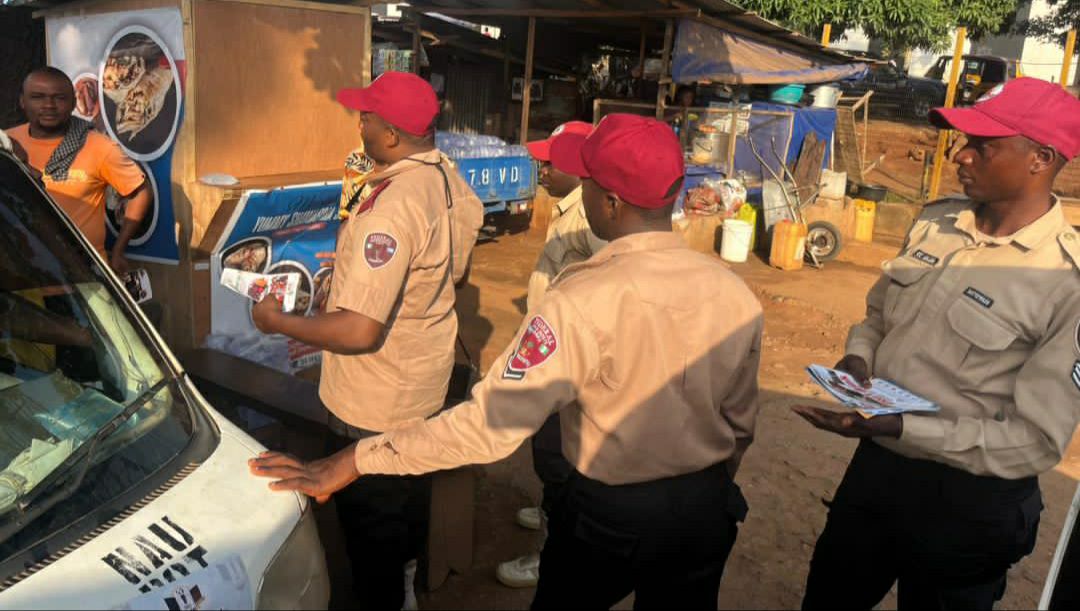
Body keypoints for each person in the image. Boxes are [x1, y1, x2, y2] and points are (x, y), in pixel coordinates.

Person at [250, 113, 764, 609]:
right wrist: (701, 489)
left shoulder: (581, 300)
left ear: (609, 202)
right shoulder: (734, 294)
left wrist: (353, 459)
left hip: (610, 517)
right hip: (704, 511)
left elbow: (489, 424)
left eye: (587, 179)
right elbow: (740, 425)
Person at [794, 77, 1080, 611]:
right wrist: (859, 356)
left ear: (1041, 159)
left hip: (969, 505)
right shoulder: (936, 222)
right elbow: (878, 315)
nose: (960, 156)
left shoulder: (1066, 280)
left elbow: (1035, 442)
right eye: (963, 141)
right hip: (879, 471)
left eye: (983, 146)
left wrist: (903, 427)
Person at [250, 71, 483, 610]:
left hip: (374, 400)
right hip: (421, 381)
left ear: (393, 134)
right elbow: (454, 272)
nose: (359, 125)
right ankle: (405, 584)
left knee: (371, 529)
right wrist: (358, 274)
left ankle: (386, 595)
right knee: (408, 497)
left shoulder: (394, 204)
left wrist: (277, 322)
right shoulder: (447, 177)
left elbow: (359, 330)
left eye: (367, 118)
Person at [497, 120, 607, 589]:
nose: (542, 170)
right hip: (552, 352)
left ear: (578, 167)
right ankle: (549, 511)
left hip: (568, 364)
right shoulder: (569, 209)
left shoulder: (588, 218)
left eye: (550, 162)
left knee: (556, 457)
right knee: (549, 454)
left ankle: (551, 552)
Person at [8, 67, 150, 274]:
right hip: (20, 271)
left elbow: (140, 192)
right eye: (38, 97)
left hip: (82, 273)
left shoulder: (99, 147)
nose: (49, 105)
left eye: (59, 98)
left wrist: (119, 250)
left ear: (74, 102)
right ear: (22, 101)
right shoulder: (7, 143)